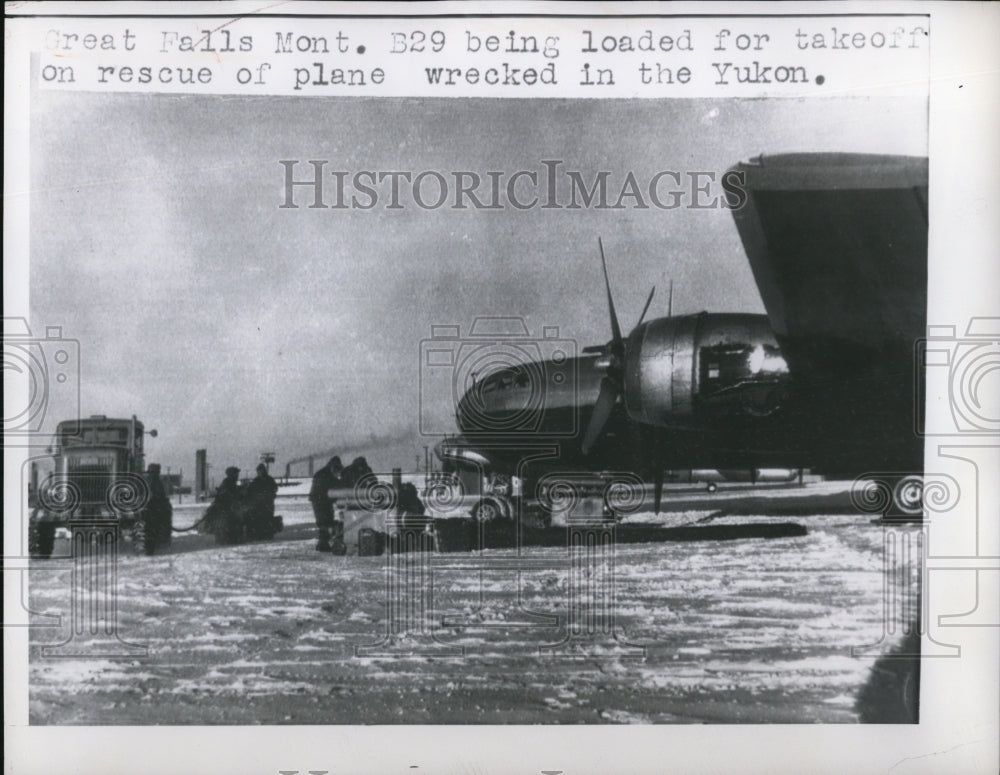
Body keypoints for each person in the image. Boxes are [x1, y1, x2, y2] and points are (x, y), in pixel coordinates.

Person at [309, 457, 344, 552]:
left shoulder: (323, 473)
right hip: (321, 501)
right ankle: (322, 544)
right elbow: (333, 485)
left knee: (324, 522)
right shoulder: (325, 475)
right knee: (325, 522)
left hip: (319, 500)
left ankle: (322, 544)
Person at [208, 466, 245, 544]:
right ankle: (231, 539)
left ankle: (231, 539)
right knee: (234, 521)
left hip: (227, 509)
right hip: (226, 509)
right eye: (236, 474)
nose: (237, 475)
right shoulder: (228, 483)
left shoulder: (229, 482)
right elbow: (230, 495)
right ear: (232, 474)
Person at [245, 463, 278, 540]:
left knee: (267, 519)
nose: (260, 472)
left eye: (261, 471)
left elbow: (274, 489)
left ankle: (267, 535)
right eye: (259, 471)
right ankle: (260, 535)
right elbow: (250, 491)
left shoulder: (269, 479)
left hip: (267, 504)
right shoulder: (256, 480)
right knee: (260, 520)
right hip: (259, 505)